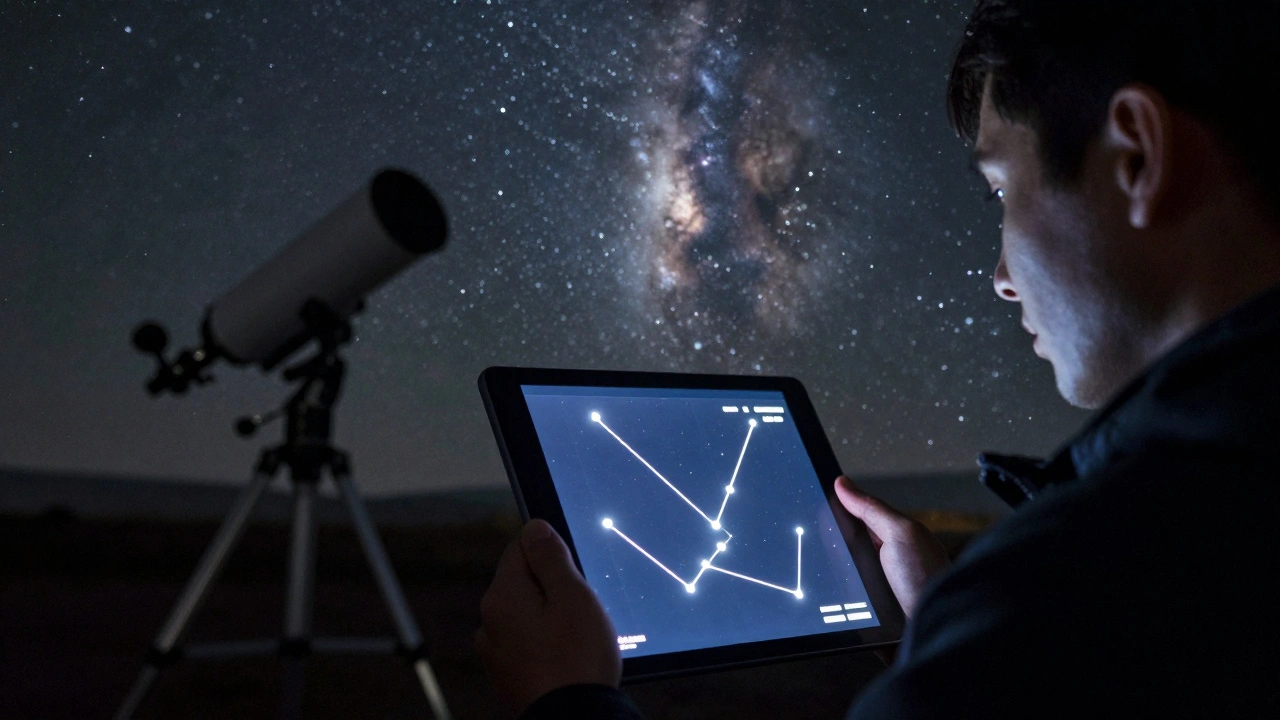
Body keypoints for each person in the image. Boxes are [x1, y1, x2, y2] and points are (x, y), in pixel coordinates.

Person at [474, 1, 1280, 716]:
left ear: (1135, 154)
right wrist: (953, 627)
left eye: (1003, 192)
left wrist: (570, 704)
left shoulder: (1087, 596)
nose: (1001, 279)